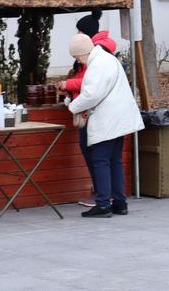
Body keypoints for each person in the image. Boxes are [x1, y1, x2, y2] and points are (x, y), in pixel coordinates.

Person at [67, 33, 144, 218]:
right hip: (119, 119)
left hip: (107, 120)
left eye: (77, 57)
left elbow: (91, 95)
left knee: (100, 161)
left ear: (82, 53)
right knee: (115, 161)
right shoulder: (108, 59)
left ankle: (103, 204)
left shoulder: (97, 65)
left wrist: (73, 107)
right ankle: (119, 202)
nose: (79, 61)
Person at [57, 11, 116, 208]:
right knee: (105, 157)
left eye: (79, 31)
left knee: (97, 156)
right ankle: (108, 196)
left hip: (94, 111)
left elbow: (89, 84)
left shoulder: (97, 53)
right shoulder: (101, 51)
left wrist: (68, 86)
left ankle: (103, 197)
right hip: (99, 111)